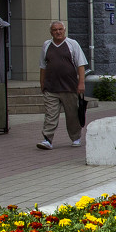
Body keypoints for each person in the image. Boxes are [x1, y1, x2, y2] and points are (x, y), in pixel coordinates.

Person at [37, 21, 87, 149]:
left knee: (72, 115)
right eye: (54, 30)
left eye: (60, 29)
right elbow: (43, 66)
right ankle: (47, 139)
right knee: (50, 115)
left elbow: (80, 64)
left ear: (64, 31)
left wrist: (81, 83)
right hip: (51, 87)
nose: (57, 32)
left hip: (69, 87)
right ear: (51, 32)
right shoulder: (46, 45)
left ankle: (75, 137)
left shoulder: (72, 44)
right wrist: (42, 83)